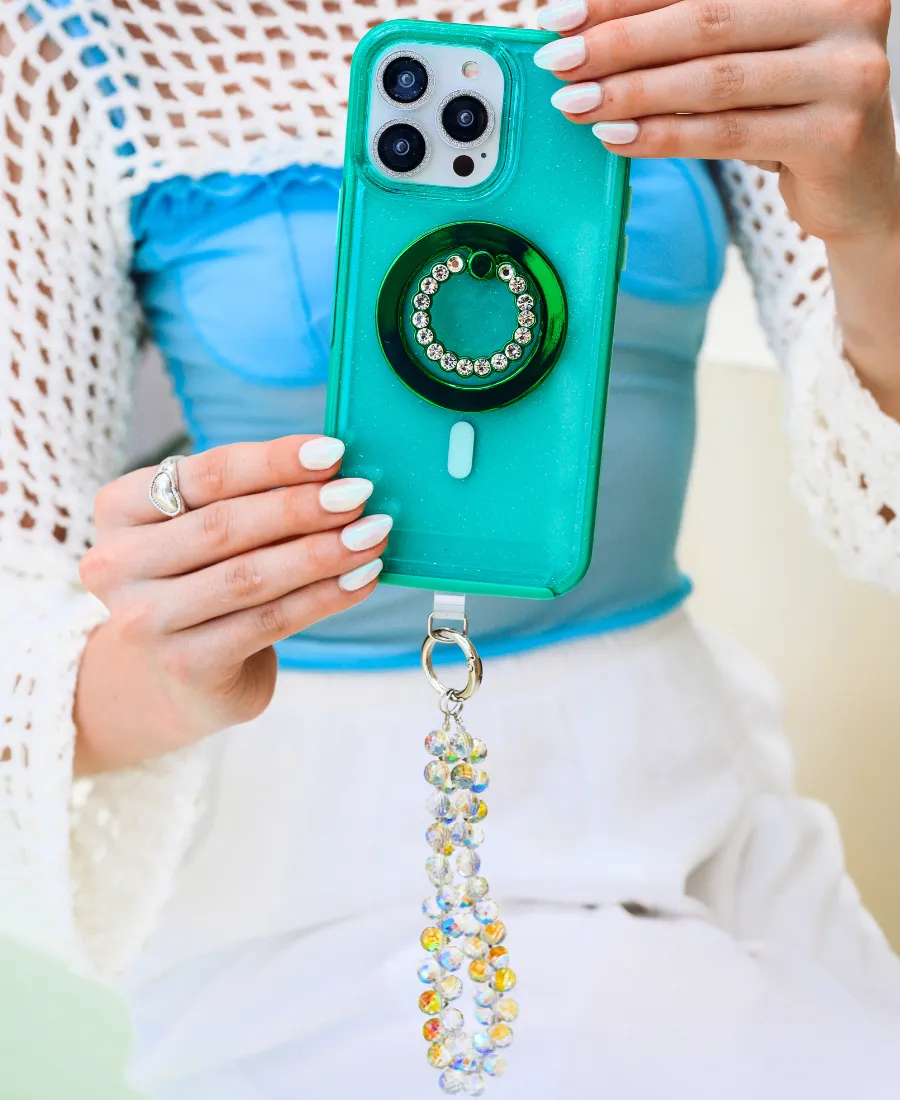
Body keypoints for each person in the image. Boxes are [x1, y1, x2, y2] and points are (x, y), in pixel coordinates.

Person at [2, 1, 899, 1097]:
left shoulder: (691, 10)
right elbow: (16, 654)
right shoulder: (81, 53)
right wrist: (160, 660)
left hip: (700, 805)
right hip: (311, 860)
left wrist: (875, 223)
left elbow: (881, 512)